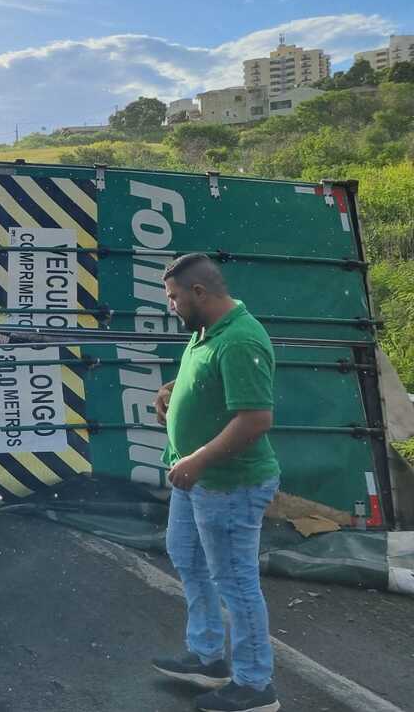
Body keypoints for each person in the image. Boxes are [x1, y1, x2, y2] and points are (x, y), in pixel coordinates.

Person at [151, 253, 281, 712]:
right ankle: (208, 657)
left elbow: (255, 419)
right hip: (199, 479)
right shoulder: (205, 333)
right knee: (185, 553)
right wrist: (171, 392)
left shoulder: (241, 339)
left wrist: (200, 460)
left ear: (199, 293)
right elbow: (205, 383)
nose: (171, 306)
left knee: (236, 581)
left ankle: (254, 685)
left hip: (229, 483)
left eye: (173, 298)